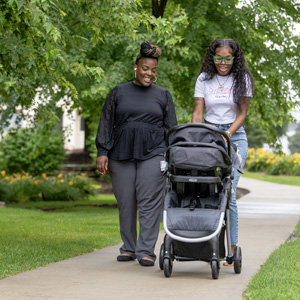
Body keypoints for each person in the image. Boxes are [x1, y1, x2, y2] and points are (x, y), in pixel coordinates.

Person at [95, 41, 177, 267]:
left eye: (153, 70)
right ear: (135, 67)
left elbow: (171, 128)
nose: (149, 73)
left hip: (154, 153)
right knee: (126, 202)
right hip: (120, 154)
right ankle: (128, 248)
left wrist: (171, 155)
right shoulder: (118, 92)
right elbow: (106, 122)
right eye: (145, 68)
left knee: (149, 203)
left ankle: (145, 250)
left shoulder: (163, 95)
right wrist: (103, 151)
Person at [191, 39, 254, 265]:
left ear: (235, 59)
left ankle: (233, 248)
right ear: (213, 57)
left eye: (228, 58)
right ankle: (209, 244)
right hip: (208, 136)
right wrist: (195, 135)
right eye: (219, 58)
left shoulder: (242, 79)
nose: (223, 63)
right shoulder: (204, 79)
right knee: (207, 190)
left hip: (234, 137)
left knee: (229, 194)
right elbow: (198, 112)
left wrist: (226, 134)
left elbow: (242, 114)